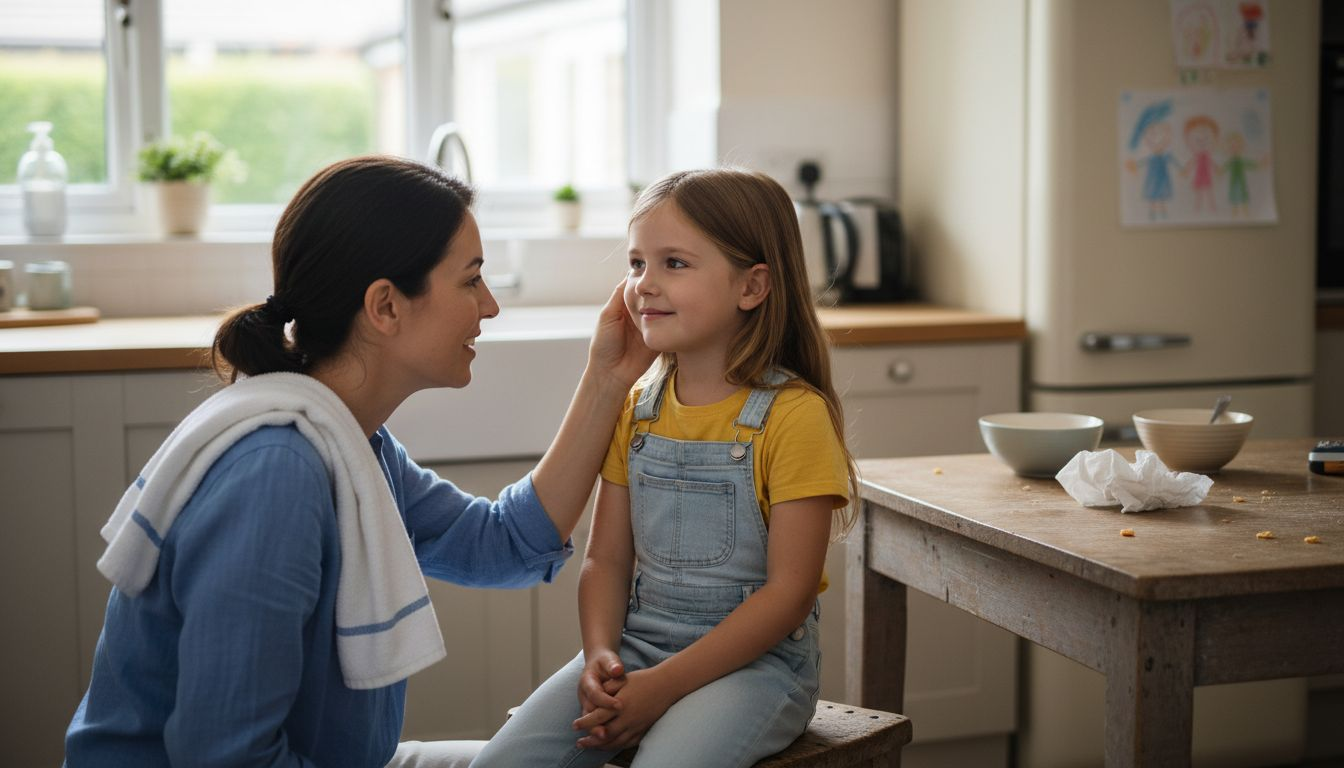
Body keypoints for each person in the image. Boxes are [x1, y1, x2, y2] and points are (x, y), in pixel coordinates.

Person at [63, 155, 656, 768]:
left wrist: (608, 378)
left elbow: (502, 543)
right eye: (471, 280)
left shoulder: (350, 442)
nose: (489, 307)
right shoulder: (276, 475)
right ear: (386, 307)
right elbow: (226, 757)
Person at [470, 168, 860, 768]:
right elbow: (605, 559)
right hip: (637, 648)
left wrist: (662, 688)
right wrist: (600, 653)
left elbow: (788, 594)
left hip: (756, 669)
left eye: (674, 263)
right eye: (635, 264)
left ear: (752, 286)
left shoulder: (793, 416)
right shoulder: (637, 409)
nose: (644, 285)